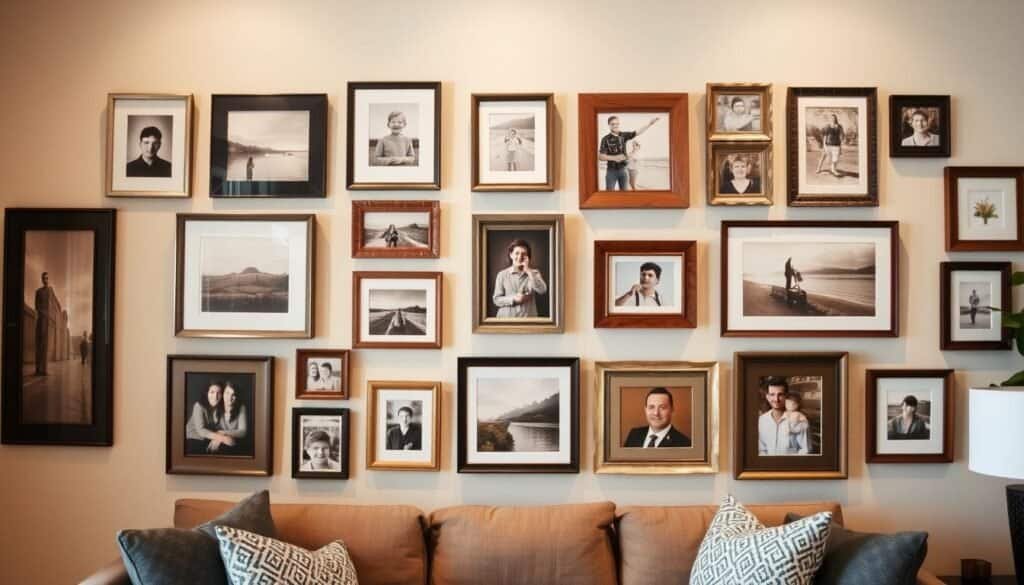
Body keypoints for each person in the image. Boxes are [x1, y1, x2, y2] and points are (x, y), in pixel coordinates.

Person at [598, 115, 659, 191]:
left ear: (619, 124)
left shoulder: (623, 135)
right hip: (611, 171)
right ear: (609, 125)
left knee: (625, 195)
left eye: (616, 124)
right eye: (612, 124)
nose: (615, 126)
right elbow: (600, 157)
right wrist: (614, 158)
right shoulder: (605, 139)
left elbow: (637, 132)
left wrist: (650, 124)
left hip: (623, 170)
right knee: (609, 194)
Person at [492, 239, 548, 318]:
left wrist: (528, 270)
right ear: (511, 255)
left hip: (528, 320)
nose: (520, 257)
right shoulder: (502, 275)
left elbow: (542, 290)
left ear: (528, 257)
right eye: (517, 253)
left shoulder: (534, 273)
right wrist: (514, 299)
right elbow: (496, 299)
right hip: (506, 320)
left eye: (524, 254)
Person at [623, 387, 691, 447]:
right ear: (645, 410)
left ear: (672, 410)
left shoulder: (684, 443)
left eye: (662, 408)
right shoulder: (634, 434)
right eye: (651, 407)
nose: (656, 413)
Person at [758, 377, 809, 455]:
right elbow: (761, 450)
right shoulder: (762, 420)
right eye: (772, 394)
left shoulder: (799, 420)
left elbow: (806, 450)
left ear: (786, 396)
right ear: (767, 397)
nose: (776, 399)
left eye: (780, 394)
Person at [185, 382, 224, 455]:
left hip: (207, 438)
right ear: (207, 393)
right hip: (192, 439)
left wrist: (217, 439)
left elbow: (223, 428)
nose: (215, 396)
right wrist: (220, 438)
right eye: (212, 392)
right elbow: (201, 430)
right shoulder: (198, 406)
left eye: (219, 393)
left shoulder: (221, 408)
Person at [34, 272, 58, 375]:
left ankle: (44, 370)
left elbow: (54, 304)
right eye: (44, 278)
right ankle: (38, 369)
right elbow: (36, 305)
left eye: (47, 278)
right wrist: (43, 313)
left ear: (48, 279)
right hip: (41, 320)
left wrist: (52, 317)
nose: (45, 280)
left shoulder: (50, 291)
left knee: (45, 345)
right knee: (39, 344)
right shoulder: (38, 292)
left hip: (47, 321)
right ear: (41, 279)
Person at [216, 382, 249, 455]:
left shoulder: (241, 407)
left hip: (235, 447)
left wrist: (222, 433)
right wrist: (219, 438)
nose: (230, 398)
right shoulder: (216, 406)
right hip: (221, 444)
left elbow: (243, 432)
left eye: (233, 395)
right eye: (227, 393)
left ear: (237, 396)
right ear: (223, 393)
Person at [815, 113, 844, 178]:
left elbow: (841, 136)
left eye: (834, 118)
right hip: (828, 144)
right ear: (830, 119)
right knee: (823, 156)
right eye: (832, 118)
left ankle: (833, 169)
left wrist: (840, 147)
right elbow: (825, 136)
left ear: (836, 119)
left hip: (836, 145)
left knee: (835, 159)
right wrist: (824, 145)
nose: (833, 119)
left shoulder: (839, 126)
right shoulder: (827, 126)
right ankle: (818, 168)